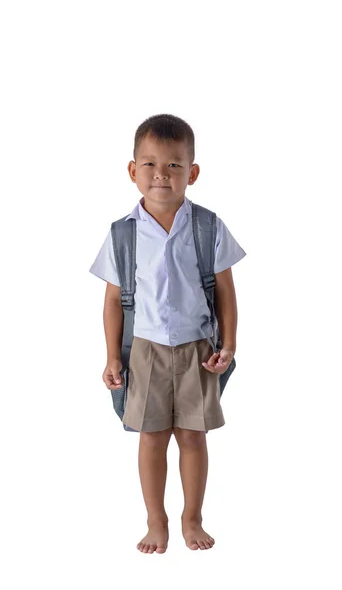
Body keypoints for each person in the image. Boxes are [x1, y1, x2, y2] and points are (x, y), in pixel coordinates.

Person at [89, 114, 246, 554]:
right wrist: (112, 357)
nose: (162, 174)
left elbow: (227, 292)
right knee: (151, 437)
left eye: (175, 165)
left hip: (198, 349)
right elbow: (112, 300)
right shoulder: (122, 234)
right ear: (132, 170)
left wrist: (229, 345)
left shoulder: (208, 227)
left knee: (193, 436)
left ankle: (191, 517)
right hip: (145, 350)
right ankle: (155, 521)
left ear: (192, 172)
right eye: (150, 164)